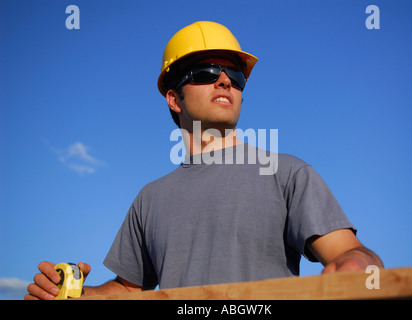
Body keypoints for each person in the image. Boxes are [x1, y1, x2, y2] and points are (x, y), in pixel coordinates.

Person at [25, 21, 383, 300]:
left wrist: (358, 265)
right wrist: (77, 293)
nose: (225, 80)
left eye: (235, 76)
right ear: (174, 99)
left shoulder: (287, 174)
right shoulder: (149, 198)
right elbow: (129, 289)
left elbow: (353, 254)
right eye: (206, 73)